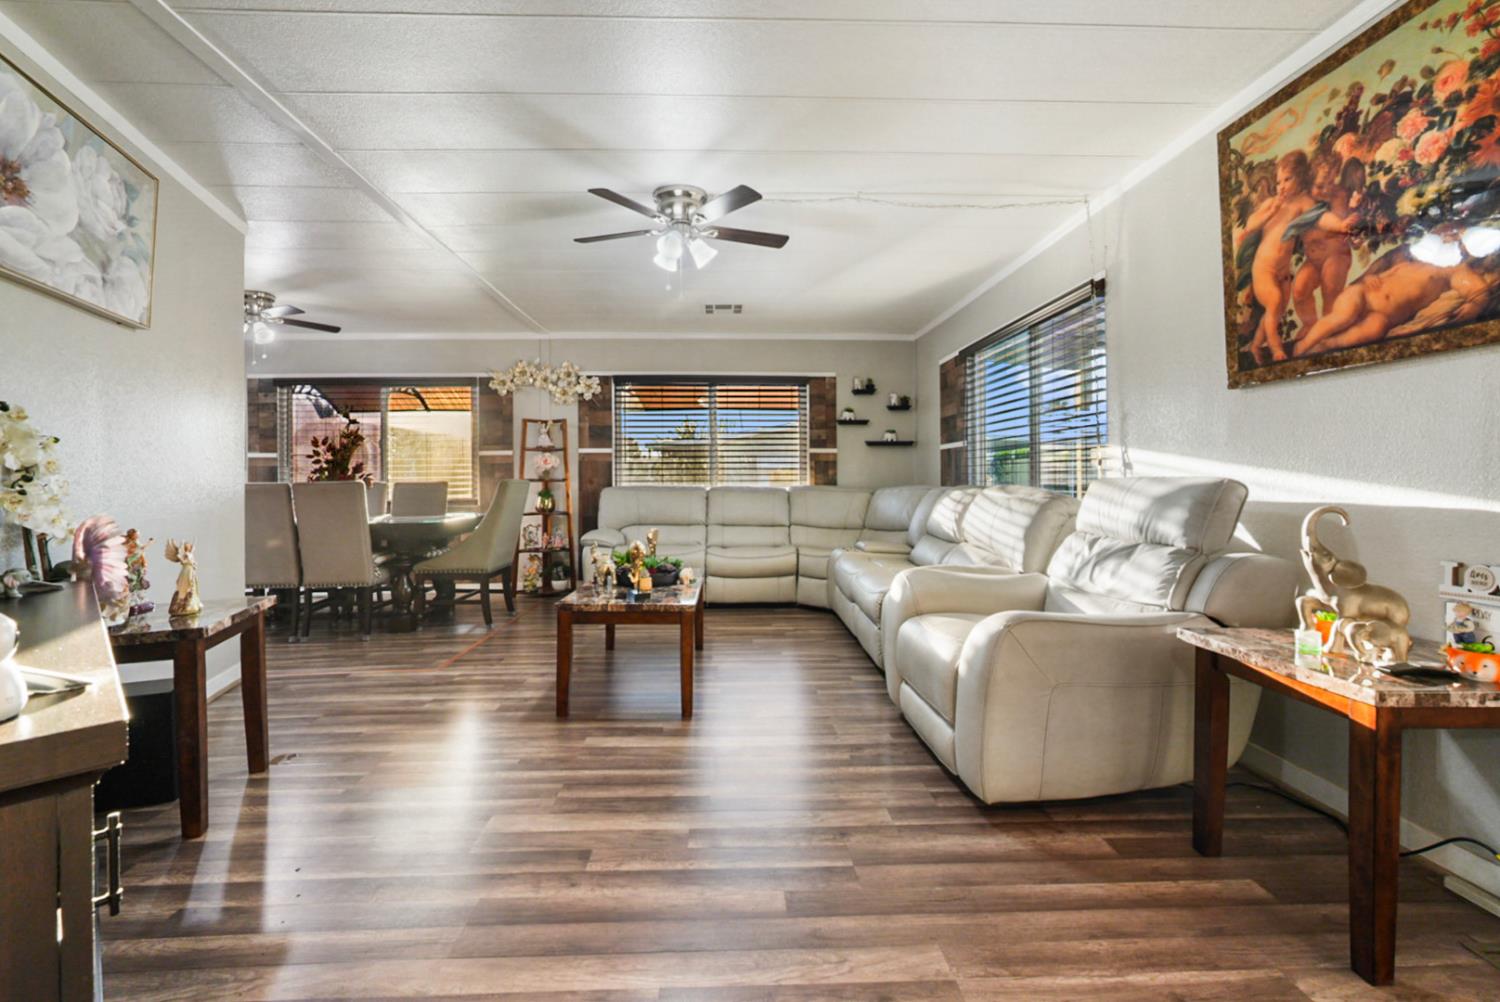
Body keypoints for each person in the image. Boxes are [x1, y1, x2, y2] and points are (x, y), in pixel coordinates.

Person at [1293, 244, 1500, 355]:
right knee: (1343, 316)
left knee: (1375, 328)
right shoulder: (1418, 255)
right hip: (1363, 294)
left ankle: (1328, 345)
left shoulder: (1454, 271)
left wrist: (1474, 305)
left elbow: (1477, 289)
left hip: (1384, 315)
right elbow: (1388, 270)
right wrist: (1370, 278)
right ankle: (1306, 343)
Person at [1237, 151, 1318, 364]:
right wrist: (1269, 212)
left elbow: (1317, 215)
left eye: (1287, 180)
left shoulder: (1302, 202)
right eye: (1278, 181)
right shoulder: (1272, 203)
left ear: (1300, 178)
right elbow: (1251, 225)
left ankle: (1255, 345)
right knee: (1273, 303)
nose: (1281, 186)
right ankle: (1275, 349)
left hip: (1283, 271)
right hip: (1263, 269)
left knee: (1277, 310)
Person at [1291, 155, 1363, 329]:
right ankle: (1310, 325)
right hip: (1313, 260)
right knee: (1299, 290)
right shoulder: (1305, 201)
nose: (1326, 190)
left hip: (1336, 255)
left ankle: (1330, 327)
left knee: (1331, 290)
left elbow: (1350, 224)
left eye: (1330, 183)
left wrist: (1355, 237)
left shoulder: (1340, 195)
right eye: (1320, 186)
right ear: (1309, 183)